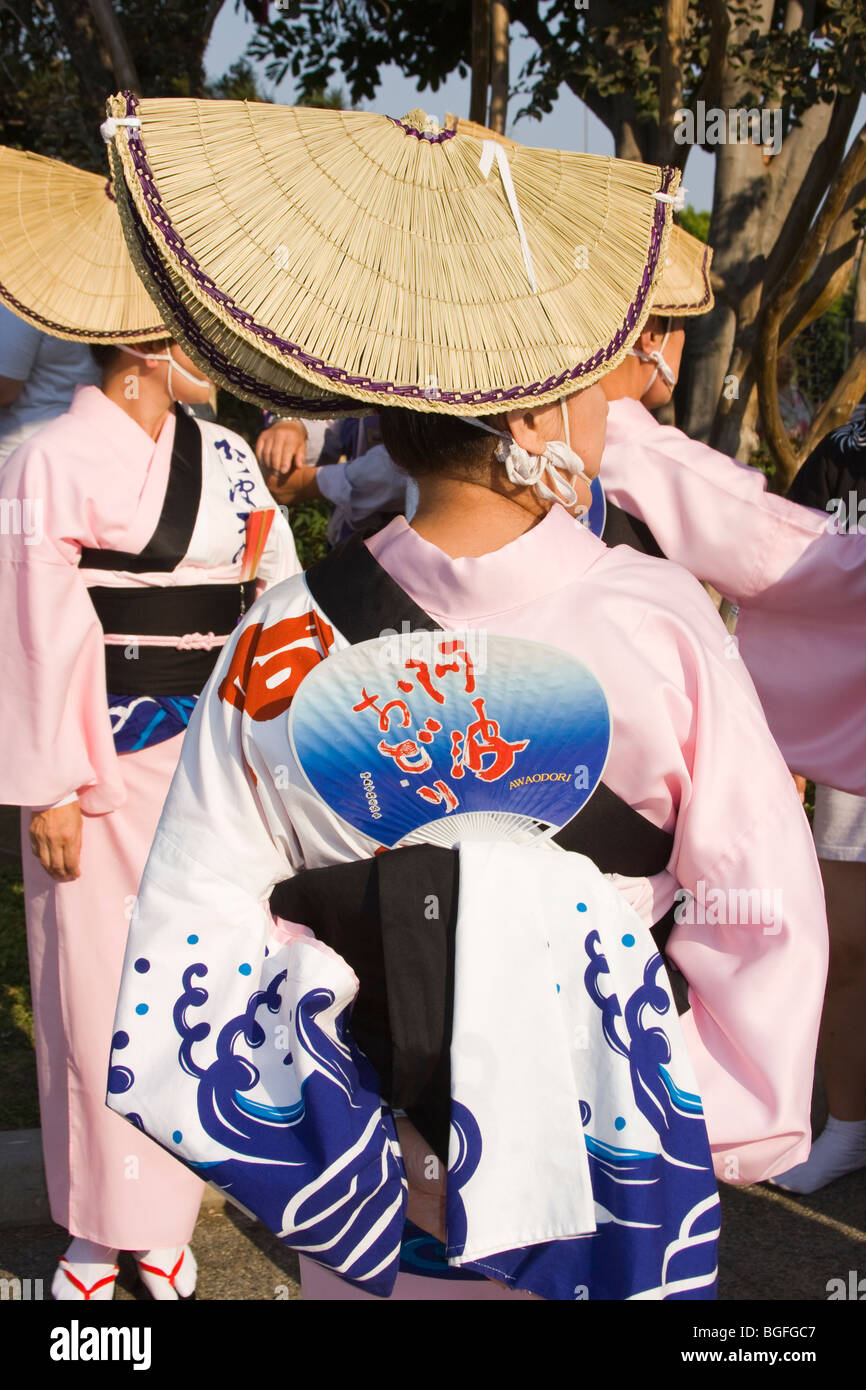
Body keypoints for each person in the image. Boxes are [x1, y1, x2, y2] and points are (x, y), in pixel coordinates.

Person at [103, 98, 827, 1300]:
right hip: (609, 1173)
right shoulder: (655, 623)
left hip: (369, 1185)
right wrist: (691, 1107)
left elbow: (197, 915)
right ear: (536, 413)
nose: (611, 403)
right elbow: (761, 907)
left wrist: (319, 1128)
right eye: (599, 378)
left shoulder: (282, 635)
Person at [0, 146, 301, 1300]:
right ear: (142, 343)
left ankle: (164, 1215)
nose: (214, 355)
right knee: (81, 989)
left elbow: (275, 596)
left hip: (207, 762)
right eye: (192, 329)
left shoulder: (225, 458)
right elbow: (33, 632)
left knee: (187, 979)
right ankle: (92, 1228)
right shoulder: (45, 460)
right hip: (97, 761)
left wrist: (266, 734)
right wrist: (48, 784)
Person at [770, 409, 866, 1193]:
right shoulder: (843, 449)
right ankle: (850, 1125)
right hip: (849, 727)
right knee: (851, 945)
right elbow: (783, 582)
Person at [0, 302, 99, 463]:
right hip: (83, 437)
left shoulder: (24, 299)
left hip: (22, 446)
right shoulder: (104, 297)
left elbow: (5, 389)